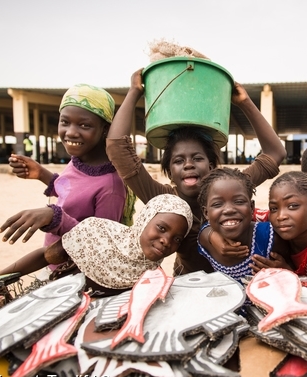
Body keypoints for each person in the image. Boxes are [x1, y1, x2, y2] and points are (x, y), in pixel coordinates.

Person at [106, 69, 286, 276]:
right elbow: (117, 149)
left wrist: (244, 102)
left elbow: (275, 152)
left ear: (211, 166)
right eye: (178, 161)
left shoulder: (231, 186)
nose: (188, 165)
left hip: (240, 284)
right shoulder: (163, 199)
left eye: (197, 158)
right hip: (189, 286)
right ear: (170, 173)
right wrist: (134, 91)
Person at [0, 84, 132, 276]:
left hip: (76, 278)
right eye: (65, 122)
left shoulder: (111, 187)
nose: (71, 132)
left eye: (84, 125)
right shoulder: (78, 161)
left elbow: (100, 245)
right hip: (52, 262)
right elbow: (71, 190)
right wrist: (41, 174)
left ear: (105, 129)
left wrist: (55, 217)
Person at [0, 194, 192, 296]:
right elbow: (46, 256)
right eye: (161, 228)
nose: (166, 241)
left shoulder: (151, 278)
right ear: (145, 219)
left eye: (177, 239)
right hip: (49, 306)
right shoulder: (96, 232)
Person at [196, 168, 292, 283]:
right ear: (206, 213)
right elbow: (203, 232)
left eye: (239, 201)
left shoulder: (271, 237)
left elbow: (299, 275)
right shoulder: (206, 241)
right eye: (217, 204)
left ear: (252, 207)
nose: (229, 210)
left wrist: (284, 272)